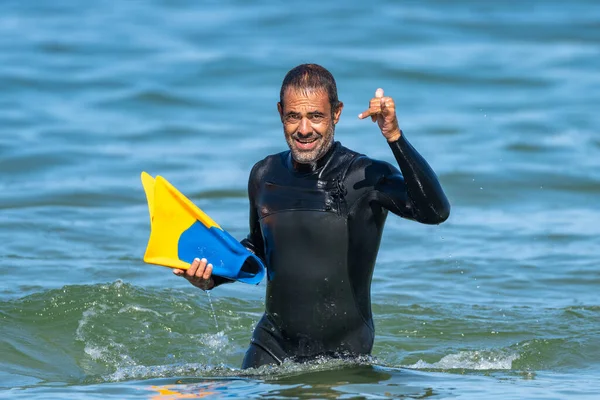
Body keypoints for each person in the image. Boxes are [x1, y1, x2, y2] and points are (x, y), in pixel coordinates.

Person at [172, 64, 450, 368]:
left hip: (342, 354)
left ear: (337, 113)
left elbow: (435, 211)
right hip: (272, 345)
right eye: (294, 116)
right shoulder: (264, 174)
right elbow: (260, 249)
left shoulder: (364, 176)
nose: (304, 130)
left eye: (315, 116)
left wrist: (394, 136)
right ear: (280, 113)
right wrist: (212, 276)